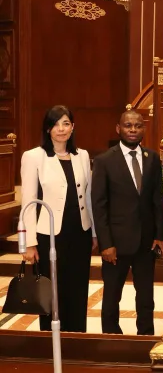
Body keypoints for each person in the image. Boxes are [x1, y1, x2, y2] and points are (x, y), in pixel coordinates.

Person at [21, 105, 97, 332]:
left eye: (66, 124)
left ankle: (76, 338)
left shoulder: (81, 155)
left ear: (73, 127)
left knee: (77, 288)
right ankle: (51, 340)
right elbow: (28, 201)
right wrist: (29, 242)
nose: (61, 129)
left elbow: (89, 196)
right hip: (49, 236)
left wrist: (93, 232)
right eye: (55, 124)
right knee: (52, 290)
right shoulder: (34, 156)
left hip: (80, 233)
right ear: (47, 129)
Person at [93, 110, 163, 335]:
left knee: (146, 297)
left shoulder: (152, 158)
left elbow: (157, 200)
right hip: (116, 243)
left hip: (145, 242)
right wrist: (106, 244)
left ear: (144, 128)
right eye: (128, 126)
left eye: (137, 126)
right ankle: (111, 337)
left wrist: (160, 235)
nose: (133, 130)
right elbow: (99, 205)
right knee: (112, 295)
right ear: (118, 128)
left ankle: (146, 336)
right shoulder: (104, 160)